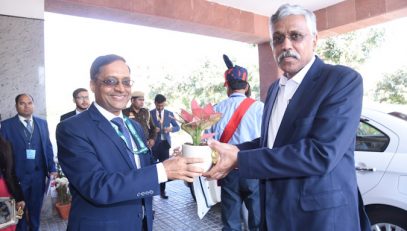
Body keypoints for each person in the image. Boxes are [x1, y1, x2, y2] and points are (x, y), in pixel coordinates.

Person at [204, 4, 371, 230]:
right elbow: (271, 143)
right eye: (278, 38)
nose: (286, 45)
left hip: (320, 221)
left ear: (314, 39)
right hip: (275, 216)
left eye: (295, 36)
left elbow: (321, 153)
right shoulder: (274, 89)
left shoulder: (341, 81)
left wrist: (240, 160)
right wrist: (227, 151)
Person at [56, 54, 203, 231]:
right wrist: (163, 171)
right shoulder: (72, 129)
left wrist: (174, 164)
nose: (120, 88)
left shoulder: (134, 126)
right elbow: (97, 186)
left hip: (141, 223)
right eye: (111, 81)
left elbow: (141, 171)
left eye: (126, 82)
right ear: (93, 85)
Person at [209, 55, 263, 231]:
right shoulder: (259, 107)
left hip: (228, 170)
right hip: (254, 168)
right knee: (258, 220)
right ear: (246, 86)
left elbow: (209, 140)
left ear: (227, 87)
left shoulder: (216, 109)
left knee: (231, 221)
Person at [0, 94, 57, 231]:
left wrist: (52, 168)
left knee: (35, 209)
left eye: (29, 103)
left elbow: (48, 147)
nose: (26, 106)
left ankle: (34, 228)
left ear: (33, 104)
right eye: (22, 103)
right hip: (17, 178)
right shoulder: (7, 125)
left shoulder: (42, 123)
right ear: (16, 106)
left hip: (38, 176)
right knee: (19, 210)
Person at [150, 94, 180, 199]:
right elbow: (146, 128)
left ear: (164, 103)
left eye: (162, 105)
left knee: (164, 168)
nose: (160, 108)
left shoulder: (169, 114)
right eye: (158, 106)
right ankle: (152, 191)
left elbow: (177, 127)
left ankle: (162, 191)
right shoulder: (150, 114)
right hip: (154, 145)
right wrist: (153, 131)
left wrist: (171, 129)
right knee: (153, 168)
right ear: (155, 103)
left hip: (165, 144)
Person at [0, 135, 25, 231]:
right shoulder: (6, 145)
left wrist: (20, 198)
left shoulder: (6, 145)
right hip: (4, 191)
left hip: (6, 191)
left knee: (10, 225)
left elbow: (11, 174)